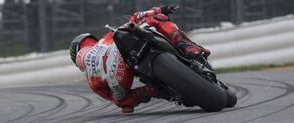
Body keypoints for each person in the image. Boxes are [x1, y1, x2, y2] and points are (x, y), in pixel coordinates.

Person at [70, 6, 210, 114]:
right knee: (158, 18)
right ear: (89, 41)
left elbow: (123, 105)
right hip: (127, 58)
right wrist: (160, 9)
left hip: (124, 73)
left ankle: (156, 90)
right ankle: (188, 47)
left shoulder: (93, 81)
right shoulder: (106, 37)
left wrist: (142, 94)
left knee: (124, 98)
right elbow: (139, 17)